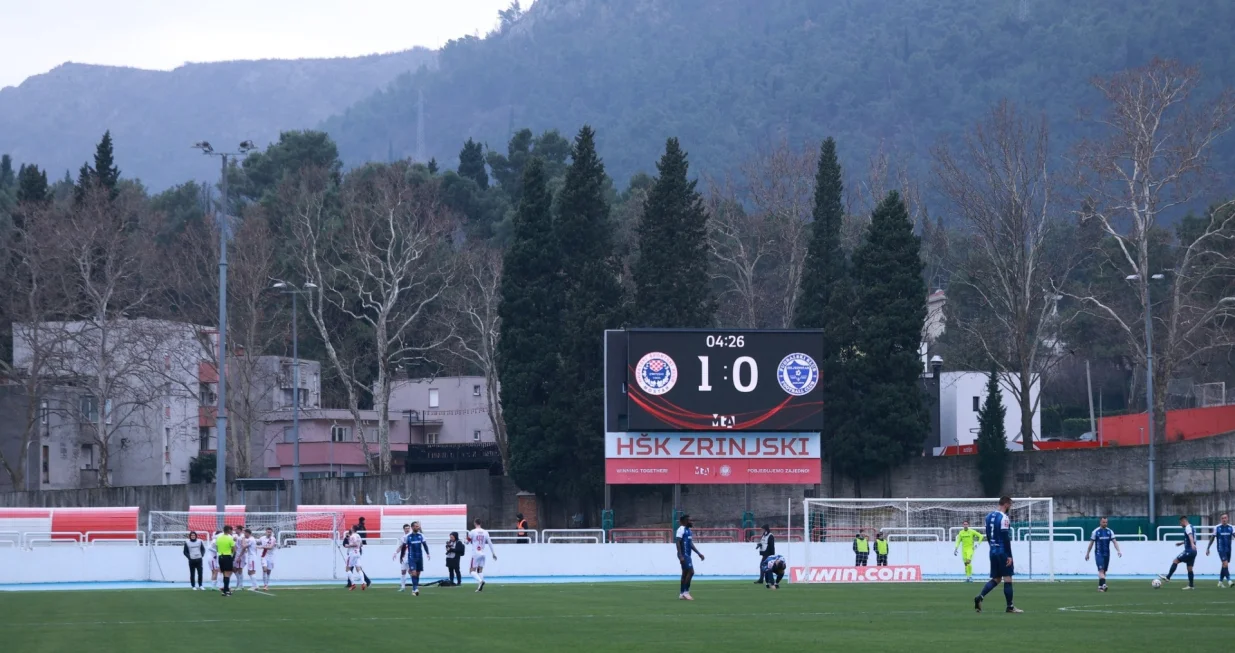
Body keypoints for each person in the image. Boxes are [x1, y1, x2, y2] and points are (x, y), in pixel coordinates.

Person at [974, 496, 1021, 613]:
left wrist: (992, 548)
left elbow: (988, 536)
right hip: (1002, 552)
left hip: (993, 551)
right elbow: (1006, 538)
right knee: (1008, 579)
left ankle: (980, 597)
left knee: (997, 579)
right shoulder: (1004, 518)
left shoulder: (988, 516)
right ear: (1005, 504)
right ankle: (1010, 607)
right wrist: (1009, 556)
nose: (1010, 507)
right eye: (1010, 504)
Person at [1159, 515, 1198, 590]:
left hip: (1189, 550)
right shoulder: (1192, 527)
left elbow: (1190, 536)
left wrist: (1192, 544)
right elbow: (1189, 539)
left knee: (1175, 561)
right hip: (1194, 551)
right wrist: (1181, 543)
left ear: (1184, 521)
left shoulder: (1187, 527)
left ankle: (1168, 577)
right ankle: (1191, 585)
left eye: (1180, 523)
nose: (1180, 525)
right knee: (1189, 569)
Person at [1084, 517, 1122, 592]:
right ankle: (1104, 584)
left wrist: (1118, 550)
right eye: (1103, 522)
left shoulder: (1110, 531)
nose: (1105, 524)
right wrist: (1087, 553)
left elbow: (1114, 542)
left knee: (1104, 571)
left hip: (1107, 554)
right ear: (1100, 522)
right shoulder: (1095, 532)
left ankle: (1100, 587)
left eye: (1106, 522)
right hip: (1099, 554)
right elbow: (1091, 544)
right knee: (1101, 570)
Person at [675, 514, 704, 601]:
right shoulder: (681, 529)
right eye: (689, 520)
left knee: (684, 574)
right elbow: (678, 542)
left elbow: (690, 544)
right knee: (691, 572)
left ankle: (681, 593)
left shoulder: (689, 531)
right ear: (684, 521)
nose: (691, 522)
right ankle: (686, 592)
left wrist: (698, 553)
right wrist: (680, 556)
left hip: (688, 554)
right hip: (684, 554)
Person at [467, 518, 497, 592]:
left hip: (475, 553)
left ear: (475, 523)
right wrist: (493, 553)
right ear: (481, 523)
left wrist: (464, 540)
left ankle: (480, 581)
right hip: (483, 553)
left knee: (471, 571)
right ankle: (480, 587)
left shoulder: (472, 532)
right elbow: (490, 543)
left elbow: (467, 542)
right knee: (480, 570)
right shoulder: (485, 532)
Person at [403, 521, 430, 596]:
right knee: (414, 573)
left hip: (419, 557)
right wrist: (401, 556)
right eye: (416, 526)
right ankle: (415, 588)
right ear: (412, 527)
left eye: (418, 526)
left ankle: (414, 588)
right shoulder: (408, 537)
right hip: (412, 557)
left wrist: (428, 553)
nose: (418, 527)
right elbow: (403, 547)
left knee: (417, 574)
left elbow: (424, 545)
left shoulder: (421, 535)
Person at [1207, 513, 1233, 588]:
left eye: (1225, 518)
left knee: (1224, 565)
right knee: (1225, 564)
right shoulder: (1217, 527)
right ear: (1220, 519)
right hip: (1221, 549)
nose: (1224, 519)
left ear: (1227, 518)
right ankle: (1229, 580)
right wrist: (1208, 548)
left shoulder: (1231, 528)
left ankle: (1220, 582)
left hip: (1228, 549)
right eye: (1222, 518)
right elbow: (1212, 538)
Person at [351, 517, 373, 588]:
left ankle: (353, 582)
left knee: (352, 567)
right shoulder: (361, 528)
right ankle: (364, 581)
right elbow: (362, 539)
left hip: (354, 551)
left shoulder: (358, 529)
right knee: (356, 567)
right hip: (358, 550)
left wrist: (348, 545)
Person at [215, 525, 236, 597]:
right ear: (229, 530)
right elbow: (234, 548)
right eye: (231, 530)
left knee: (224, 573)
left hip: (220, 556)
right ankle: (226, 591)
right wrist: (233, 556)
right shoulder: (230, 537)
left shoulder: (219, 537)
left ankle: (224, 590)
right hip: (227, 556)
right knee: (227, 574)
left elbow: (217, 548)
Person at [345, 527, 367, 591]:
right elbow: (361, 545)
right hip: (358, 552)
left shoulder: (352, 536)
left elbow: (355, 544)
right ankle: (363, 583)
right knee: (359, 569)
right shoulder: (358, 536)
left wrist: (348, 546)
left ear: (353, 530)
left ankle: (353, 584)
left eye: (351, 528)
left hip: (352, 553)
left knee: (347, 569)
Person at [396, 524, 412, 591]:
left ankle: (414, 586)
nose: (407, 529)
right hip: (404, 557)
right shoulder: (402, 537)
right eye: (406, 528)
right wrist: (395, 553)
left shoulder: (412, 536)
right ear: (404, 529)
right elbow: (400, 546)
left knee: (410, 571)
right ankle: (403, 587)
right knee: (403, 572)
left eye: (408, 528)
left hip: (410, 556)